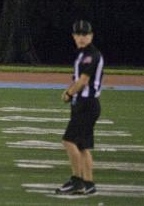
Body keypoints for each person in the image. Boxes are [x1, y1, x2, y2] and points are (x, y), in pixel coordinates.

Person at [55, 20, 103, 196]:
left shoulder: (90, 55)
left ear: (91, 36)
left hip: (86, 104)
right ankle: (89, 183)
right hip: (86, 104)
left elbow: (83, 81)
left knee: (69, 141)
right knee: (83, 146)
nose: (82, 38)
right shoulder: (84, 54)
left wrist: (68, 93)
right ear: (74, 36)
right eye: (79, 35)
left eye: (85, 34)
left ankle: (77, 181)